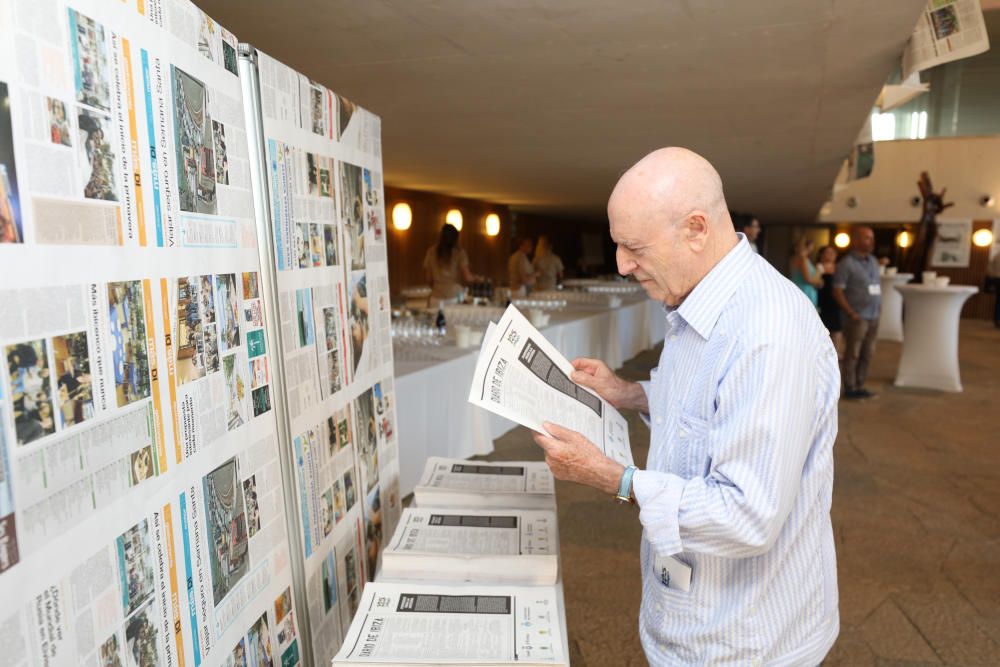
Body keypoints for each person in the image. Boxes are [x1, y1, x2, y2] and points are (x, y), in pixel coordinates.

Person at [532, 147, 840, 665]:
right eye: (617, 246)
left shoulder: (766, 332)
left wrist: (613, 477)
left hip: (746, 637)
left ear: (696, 229)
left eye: (634, 248)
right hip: (693, 617)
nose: (622, 266)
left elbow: (748, 515)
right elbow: (710, 403)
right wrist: (627, 392)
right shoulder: (697, 294)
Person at [831, 226, 881, 399]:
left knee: (868, 352)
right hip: (857, 317)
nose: (871, 241)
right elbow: (837, 291)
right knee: (853, 353)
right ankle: (850, 387)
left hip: (874, 314)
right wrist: (851, 313)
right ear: (857, 240)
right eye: (867, 237)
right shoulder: (846, 264)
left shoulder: (874, 261)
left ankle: (861, 384)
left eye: (871, 237)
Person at [422, 223, 476, 303]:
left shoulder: (431, 252)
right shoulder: (459, 252)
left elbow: (429, 279)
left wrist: (437, 287)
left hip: (436, 297)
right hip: (454, 297)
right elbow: (467, 278)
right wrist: (478, 279)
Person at [816, 245, 844, 353]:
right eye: (828, 252)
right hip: (823, 302)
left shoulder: (839, 268)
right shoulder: (819, 267)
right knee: (823, 331)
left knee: (837, 330)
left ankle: (835, 354)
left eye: (833, 253)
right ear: (821, 255)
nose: (831, 255)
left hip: (836, 302)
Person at [789, 236, 823, 308]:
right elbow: (808, 279)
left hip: (799, 288)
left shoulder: (796, 258)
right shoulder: (802, 258)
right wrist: (819, 271)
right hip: (805, 290)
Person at [986, 248, 1000, 328]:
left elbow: (989, 269)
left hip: (997, 280)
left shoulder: (996, 256)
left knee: (998, 300)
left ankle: (997, 320)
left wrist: (994, 276)